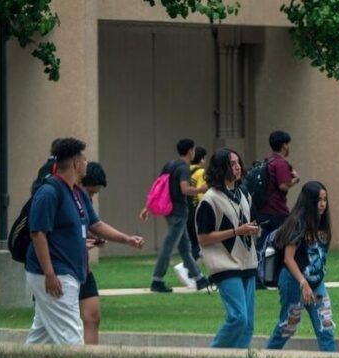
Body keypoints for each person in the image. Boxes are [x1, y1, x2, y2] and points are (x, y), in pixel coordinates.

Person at [25, 138, 144, 345]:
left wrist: (126, 239)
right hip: (57, 275)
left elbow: (95, 225)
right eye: (83, 158)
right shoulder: (49, 192)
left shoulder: (77, 192)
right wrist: (50, 274)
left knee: (41, 339)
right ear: (74, 163)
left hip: (71, 272)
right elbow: (38, 234)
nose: (86, 162)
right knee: (72, 339)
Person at [196, 148, 260, 348]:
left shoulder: (243, 194)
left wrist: (254, 230)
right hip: (225, 265)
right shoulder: (210, 199)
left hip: (248, 262)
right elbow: (203, 238)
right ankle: (213, 356)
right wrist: (236, 232)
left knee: (248, 324)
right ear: (221, 168)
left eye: (238, 162)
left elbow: (253, 221)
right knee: (238, 318)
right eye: (232, 163)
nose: (238, 166)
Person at [267, 181, 335, 352]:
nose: (322, 204)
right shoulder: (298, 223)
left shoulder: (323, 224)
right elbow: (288, 258)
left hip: (316, 282)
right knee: (289, 325)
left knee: (325, 325)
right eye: (318, 200)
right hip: (294, 281)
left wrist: (313, 281)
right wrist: (303, 283)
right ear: (309, 201)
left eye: (325, 200)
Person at [140, 139, 209, 293]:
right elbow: (185, 190)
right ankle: (157, 280)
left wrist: (147, 207)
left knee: (185, 248)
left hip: (169, 211)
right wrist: (201, 190)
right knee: (168, 247)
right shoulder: (183, 168)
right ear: (190, 151)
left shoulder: (169, 165)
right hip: (179, 211)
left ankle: (199, 278)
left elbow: (158, 187)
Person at [256, 130, 301, 249]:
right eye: (288, 144)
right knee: (283, 244)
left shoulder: (267, 160)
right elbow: (283, 186)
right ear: (284, 145)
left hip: (263, 210)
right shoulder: (280, 163)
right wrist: (296, 179)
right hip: (277, 211)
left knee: (264, 246)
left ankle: (262, 267)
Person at [79, 161, 108, 345]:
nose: (90, 197)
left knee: (93, 317)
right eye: (89, 192)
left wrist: (92, 237)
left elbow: (91, 226)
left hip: (83, 268)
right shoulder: (61, 197)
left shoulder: (84, 201)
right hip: (64, 270)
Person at [174, 146, 208, 289]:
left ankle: (191, 273)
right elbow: (201, 193)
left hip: (187, 211)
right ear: (201, 159)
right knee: (201, 245)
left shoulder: (187, 170)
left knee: (194, 243)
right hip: (197, 211)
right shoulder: (201, 172)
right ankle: (186, 266)